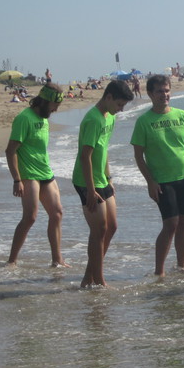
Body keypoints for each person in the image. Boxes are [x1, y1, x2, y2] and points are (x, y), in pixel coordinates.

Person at [131, 74, 184, 276]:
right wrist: (150, 182)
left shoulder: (182, 116)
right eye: (159, 91)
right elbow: (139, 156)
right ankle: (159, 272)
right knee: (170, 224)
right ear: (150, 94)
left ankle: (181, 266)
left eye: (167, 91)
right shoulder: (144, 122)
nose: (164, 95)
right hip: (162, 182)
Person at [72, 80, 134, 287]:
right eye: (119, 104)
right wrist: (90, 190)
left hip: (102, 178)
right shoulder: (94, 119)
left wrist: (109, 178)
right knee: (99, 229)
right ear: (108, 97)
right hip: (86, 180)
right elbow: (85, 157)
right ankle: (98, 281)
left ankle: (88, 277)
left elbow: (103, 149)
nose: (121, 109)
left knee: (112, 227)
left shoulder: (109, 116)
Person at [5, 82, 69, 267]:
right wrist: (17, 179)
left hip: (45, 171)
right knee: (30, 217)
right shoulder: (24, 118)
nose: (56, 109)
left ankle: (57, 260)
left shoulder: (45, 119)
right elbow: (10, 151)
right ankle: (12, 261)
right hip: (28, 174)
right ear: (45, 101)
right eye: (55, 105)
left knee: (57, 213)